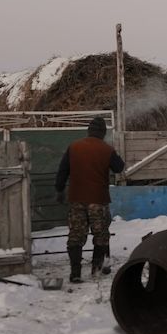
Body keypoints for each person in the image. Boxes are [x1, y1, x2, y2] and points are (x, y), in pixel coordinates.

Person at [55, 116, 125, 283]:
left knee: (76, 236)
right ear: (103, 133)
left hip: (76, 198)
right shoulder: (106, 149)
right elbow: (119, 167)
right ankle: (96, 269)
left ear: (88, 131)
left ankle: (75, 273)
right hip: (98, 199)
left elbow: (62, 170)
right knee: (100, 235)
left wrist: (59, 190)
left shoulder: (74, 147)